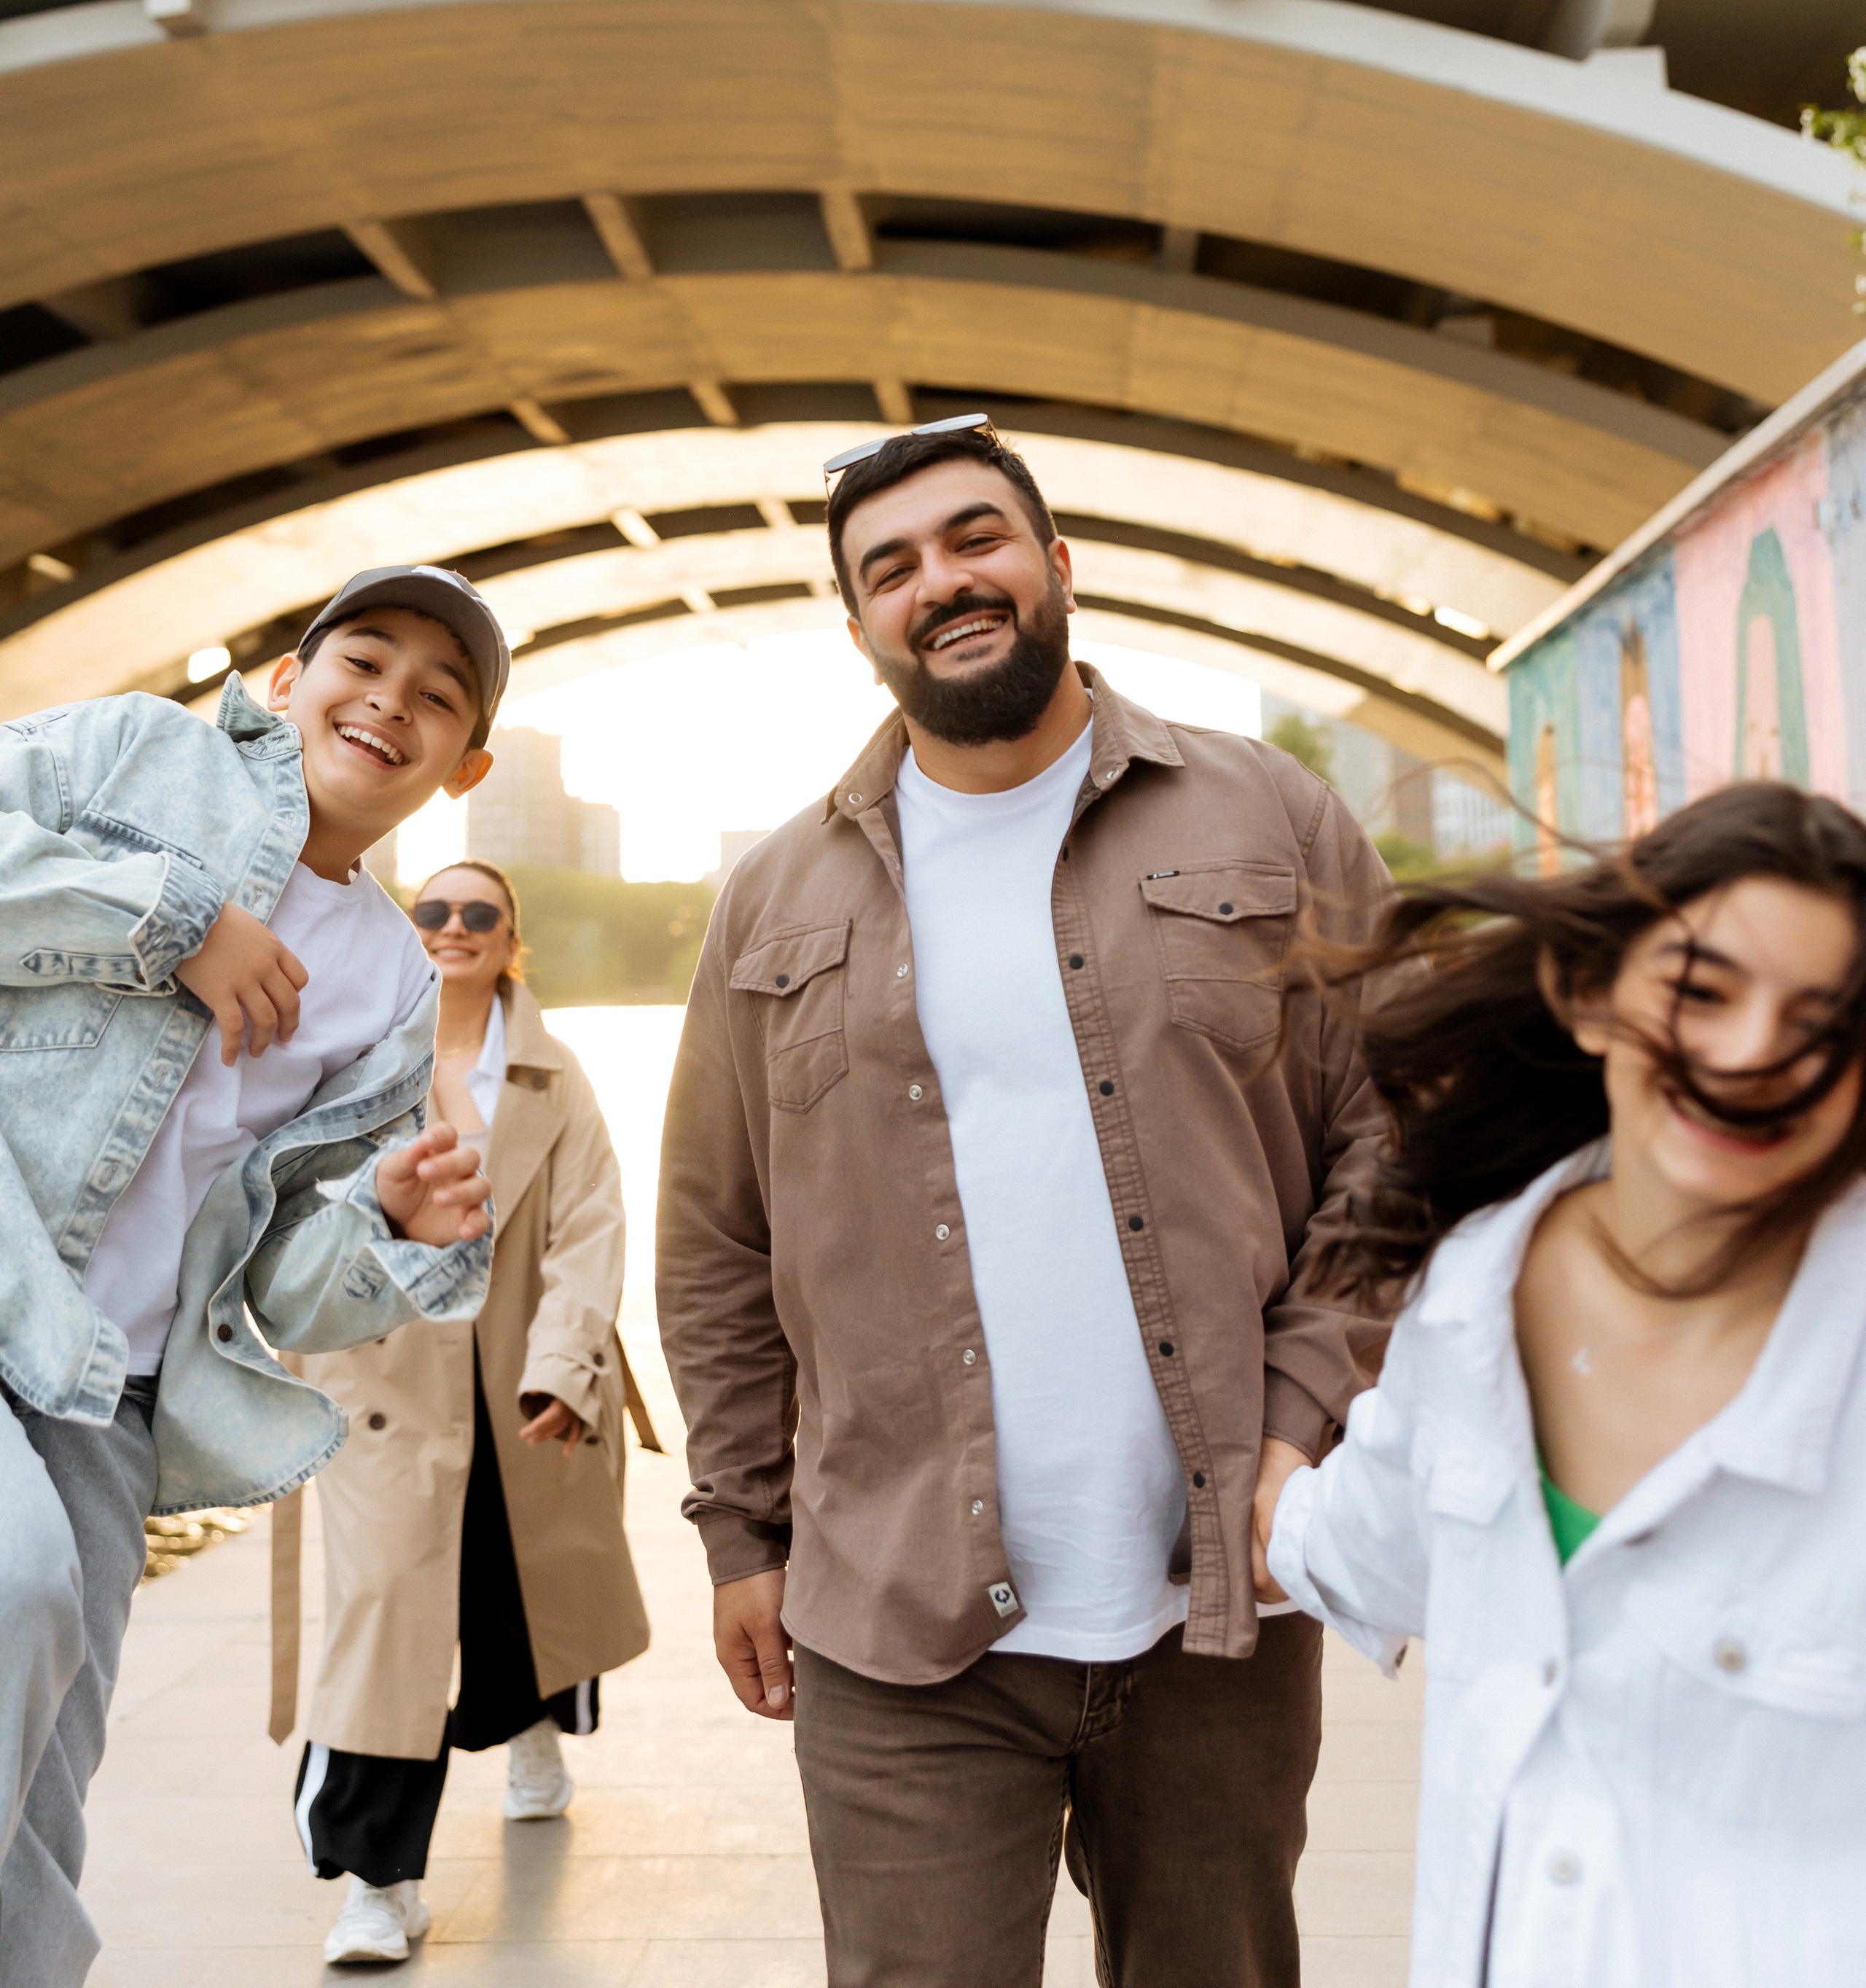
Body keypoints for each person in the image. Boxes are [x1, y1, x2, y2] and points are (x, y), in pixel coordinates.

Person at [657, 418, 1392, 1988]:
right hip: (897, 1619)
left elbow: (1387, 1154)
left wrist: (1295, 1426)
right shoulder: (771, 902)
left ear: (1054, 564)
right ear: (859, 627)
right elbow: (716, 1241)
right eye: (892, 568)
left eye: (976, 538)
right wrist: (739, 1531)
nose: (943, 581)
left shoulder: (1271, 818)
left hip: (1215, 1594)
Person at [1261, 779, 1866, 1988]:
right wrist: (1259, 1474)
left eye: (1820, 1026)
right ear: (1588, 995)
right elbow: (1361, 1541)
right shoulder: (1476, 1298)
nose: (1750, 1057)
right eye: (1701, 992)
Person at [0, 561, 510, 1987]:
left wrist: (392, 1229)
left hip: (115, 1386)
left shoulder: (397, 990)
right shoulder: (129, 753)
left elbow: (282, 1281)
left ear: (459, 767)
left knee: (45, 1781)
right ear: (285, 683)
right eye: (362, 661)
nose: (387, 703)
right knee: (17, 1586)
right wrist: (171, 920)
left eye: (434, 696)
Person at [286, 856, 655, 1968]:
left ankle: (538, 1726)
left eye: (478, 912)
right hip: (386, 1385)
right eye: (432, 909)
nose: (452, 925)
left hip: (521, 1376)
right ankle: (376, 1881)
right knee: (386, 1626)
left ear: (510, 937)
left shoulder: (554, 1075)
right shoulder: (349, 1056)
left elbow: (592, 1223)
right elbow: (286, 1200)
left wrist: (564, 1364)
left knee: (519, 1578)